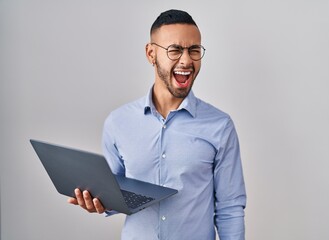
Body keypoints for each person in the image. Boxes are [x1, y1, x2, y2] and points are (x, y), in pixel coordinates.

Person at [68, 9, 246, 240]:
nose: (186, 60)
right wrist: (99, 202)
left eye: (194, 50)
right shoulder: (118, 122)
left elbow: (230, 208)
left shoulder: (220, 126)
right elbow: (114, 194)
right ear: (151, 54)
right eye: (175, 50)